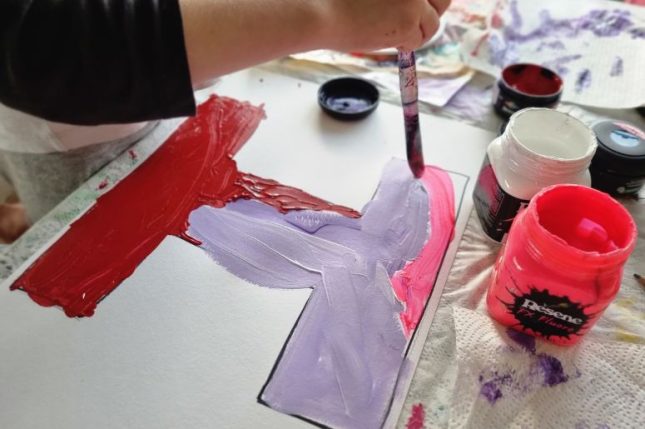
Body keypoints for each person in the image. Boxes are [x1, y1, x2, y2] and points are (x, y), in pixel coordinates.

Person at [0, 0, 450, 242]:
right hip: (77, 118)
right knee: (89, 235)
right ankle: (37, 218)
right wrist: (327, 13)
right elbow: (45, 44)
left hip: (188, 69)